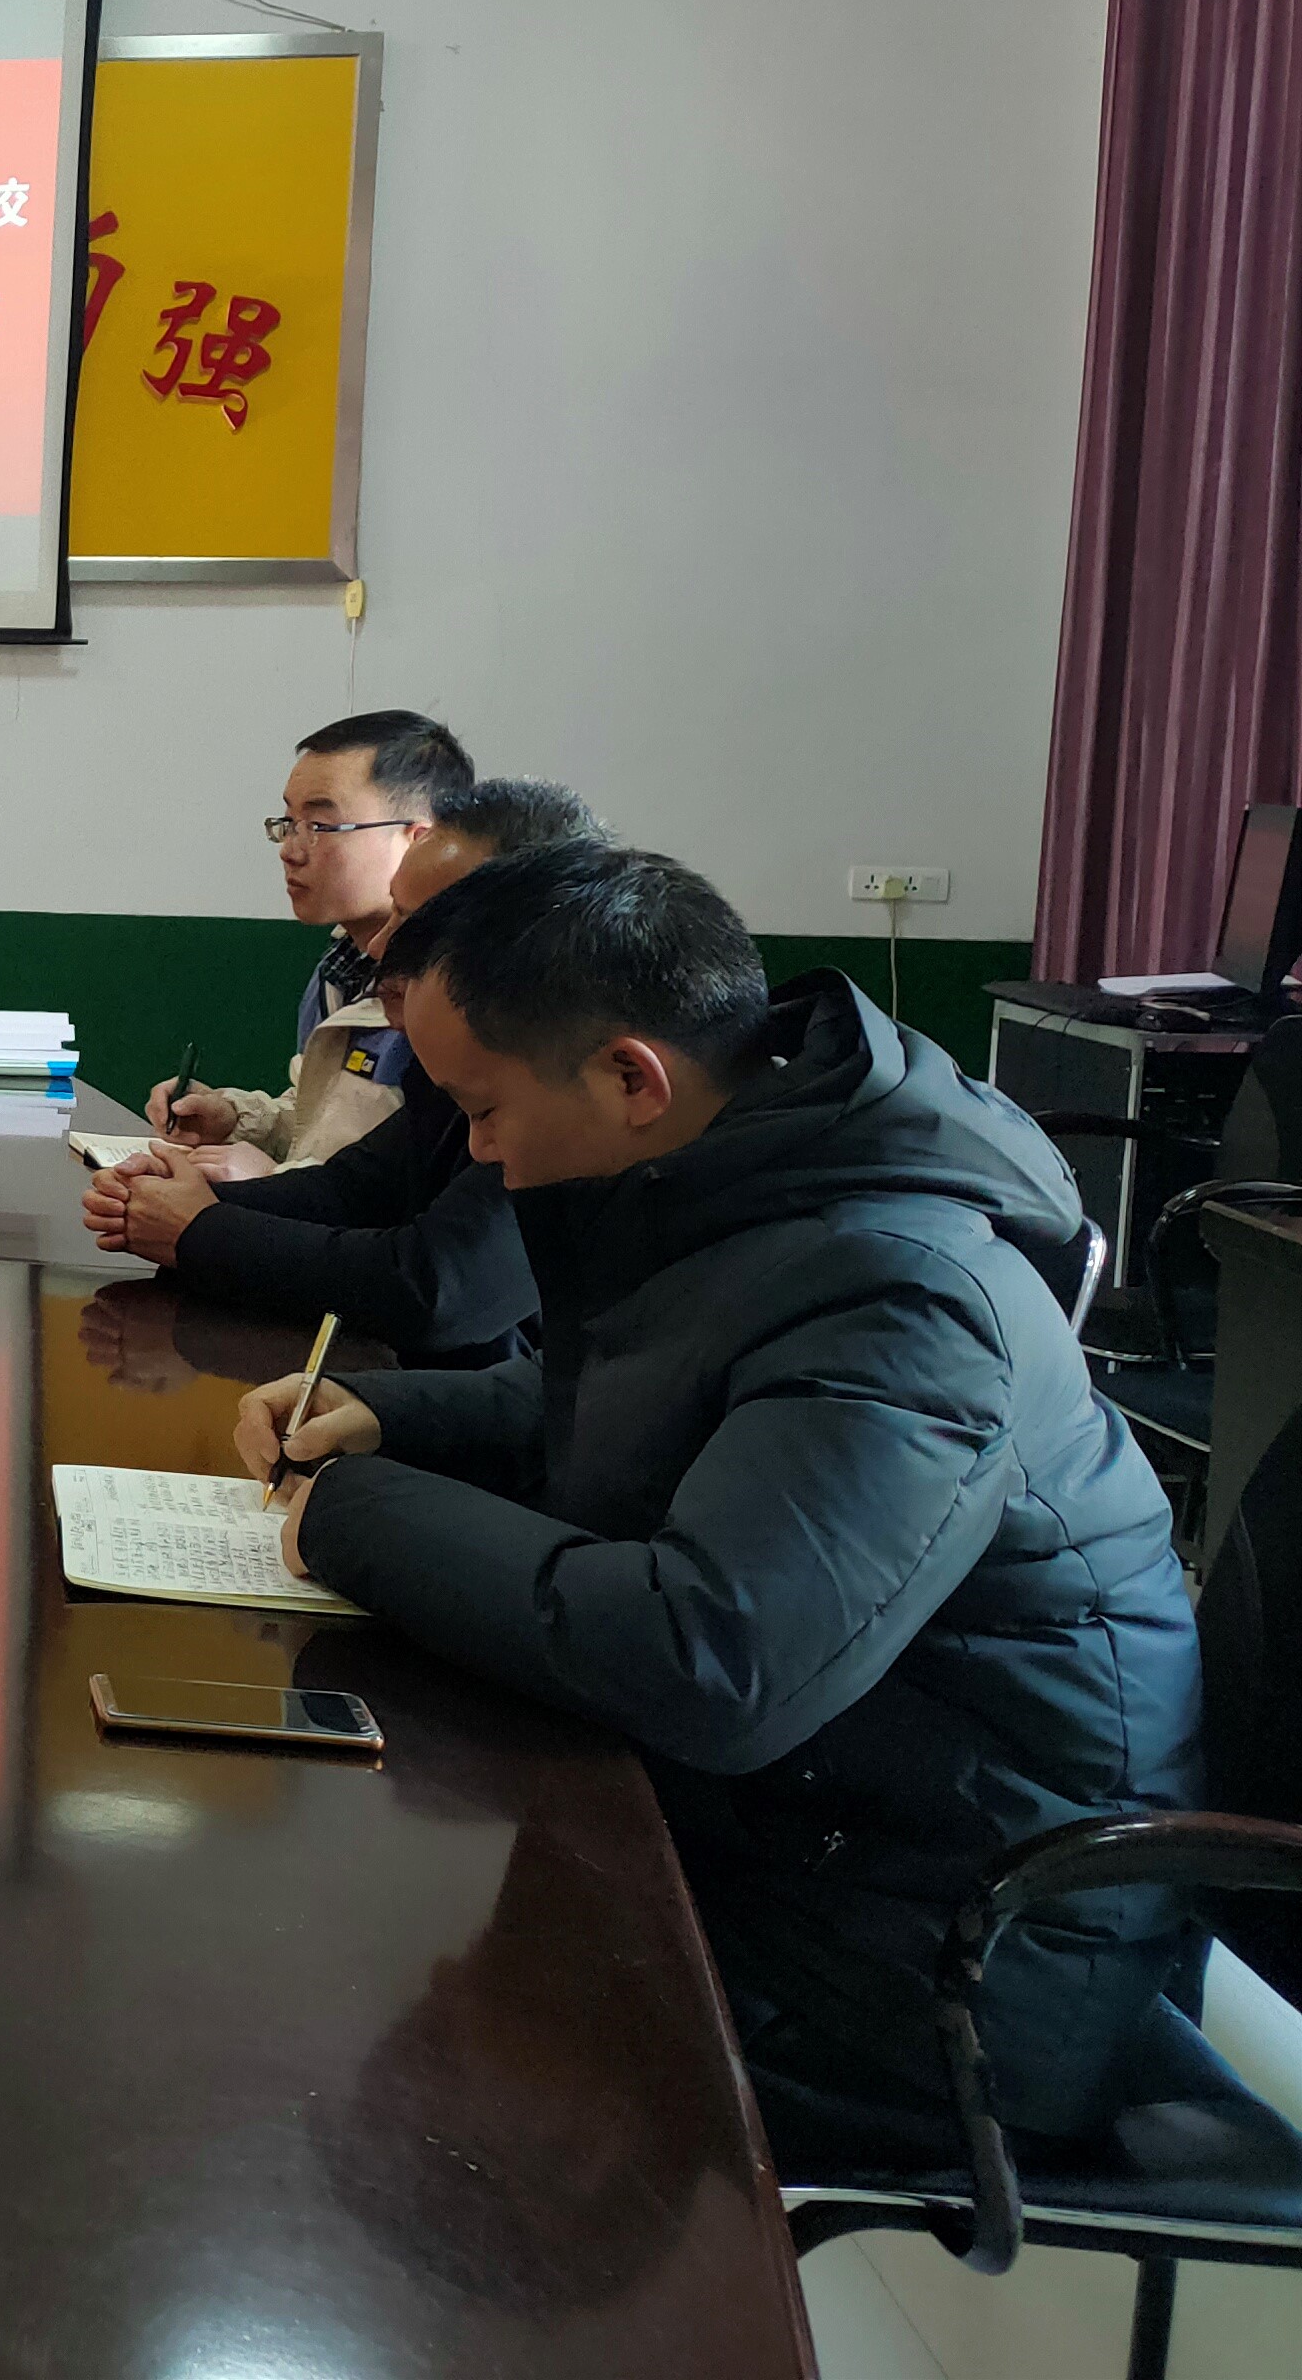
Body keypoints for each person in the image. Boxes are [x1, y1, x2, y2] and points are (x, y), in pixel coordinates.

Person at [245, 842, 1204, 2168]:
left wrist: (353, 1511)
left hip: (946, 1966)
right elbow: (671, 1390)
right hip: (819, 1836)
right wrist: (393, 1413)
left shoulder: (906, 1294)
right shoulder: (755, 1172)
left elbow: (714, 1660)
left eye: (483, 1107)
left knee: (304, 2008)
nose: (475, 1148)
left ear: (629, 1078)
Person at [86, 778, 599, 1356]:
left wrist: (199, 1230)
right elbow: (352, 1188)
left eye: (415, 925)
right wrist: (168, 1198)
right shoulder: (447, 1054)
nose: (378, 949)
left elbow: (435, 1291)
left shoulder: (572, 1080)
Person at [148, 709, 473, 1176]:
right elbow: (320, 1124)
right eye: (288, 822)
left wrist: (268, 1181)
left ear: (418, 840)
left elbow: (408, 1187)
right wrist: (234, 1119)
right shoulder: (341, 965)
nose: (290, 850)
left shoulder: (453, 990)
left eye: (319, 826)